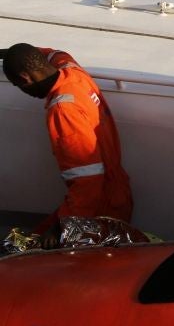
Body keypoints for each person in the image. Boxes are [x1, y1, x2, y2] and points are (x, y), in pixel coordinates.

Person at [1, 44, 133, 248]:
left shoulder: (63, 111)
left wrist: (62, 227)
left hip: (99, 208)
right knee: (27, 241)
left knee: (27, 253)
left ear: (25, 78)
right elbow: (51, 53)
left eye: (17, 84)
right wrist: (7, 54)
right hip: (114, 194)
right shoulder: (72, 70)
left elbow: (88, 181)